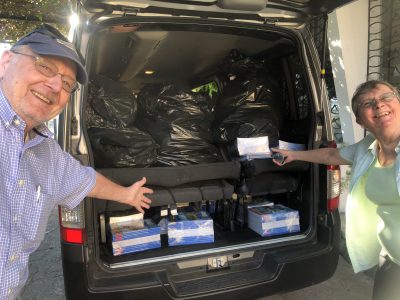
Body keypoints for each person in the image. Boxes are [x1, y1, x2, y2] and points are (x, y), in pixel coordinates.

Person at [0, 24, 153, 299]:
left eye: (68, 83)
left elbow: (86, 179)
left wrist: (128, 194)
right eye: (44, 66)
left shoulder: (47, 153)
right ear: (6, 61)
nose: (56, 85)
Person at [272, 79, 400, 300]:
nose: (378, 105)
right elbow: (331, 155)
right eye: (368, 103)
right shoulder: (366, 148)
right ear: (360, 120)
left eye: (386, 97)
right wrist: (293, 155)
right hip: (392, 259)